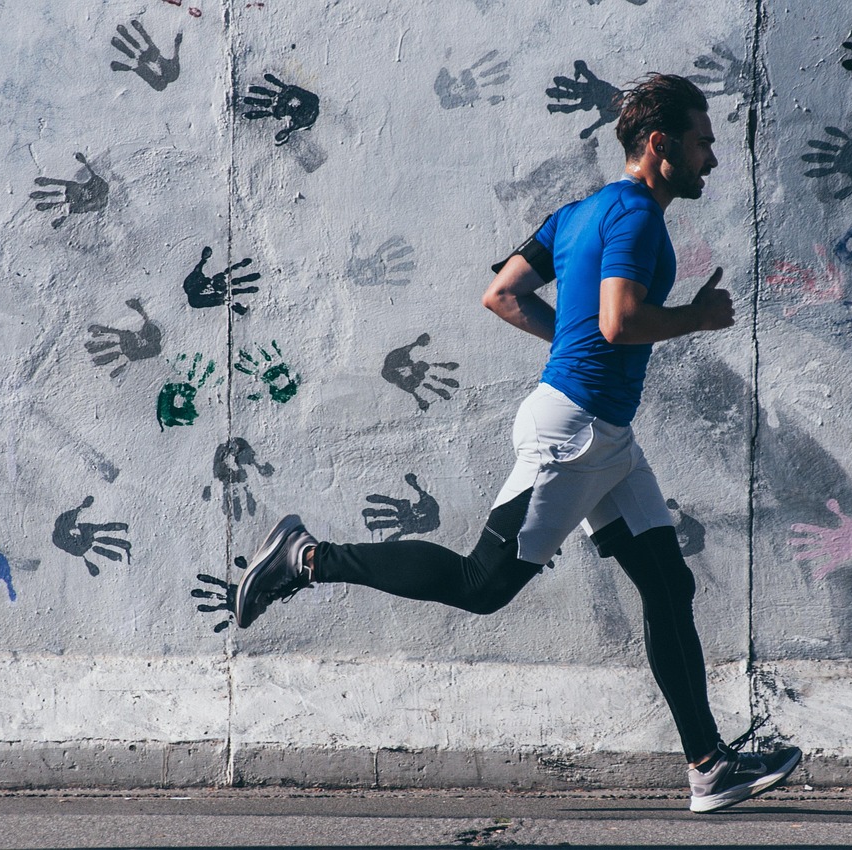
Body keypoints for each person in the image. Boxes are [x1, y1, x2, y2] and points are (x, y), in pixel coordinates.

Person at [233, 73, 802, 813]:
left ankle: (708, 766)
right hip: (575, 434)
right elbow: (618, 324)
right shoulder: (635, 219)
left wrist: (574, 343)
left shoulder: (574, 213)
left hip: (606, 436)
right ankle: (305, 558)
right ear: (659, 145)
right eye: (702, 144)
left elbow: (502, 293)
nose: (713, 161)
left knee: (668, 583)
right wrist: (696, 318)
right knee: (483, 585)